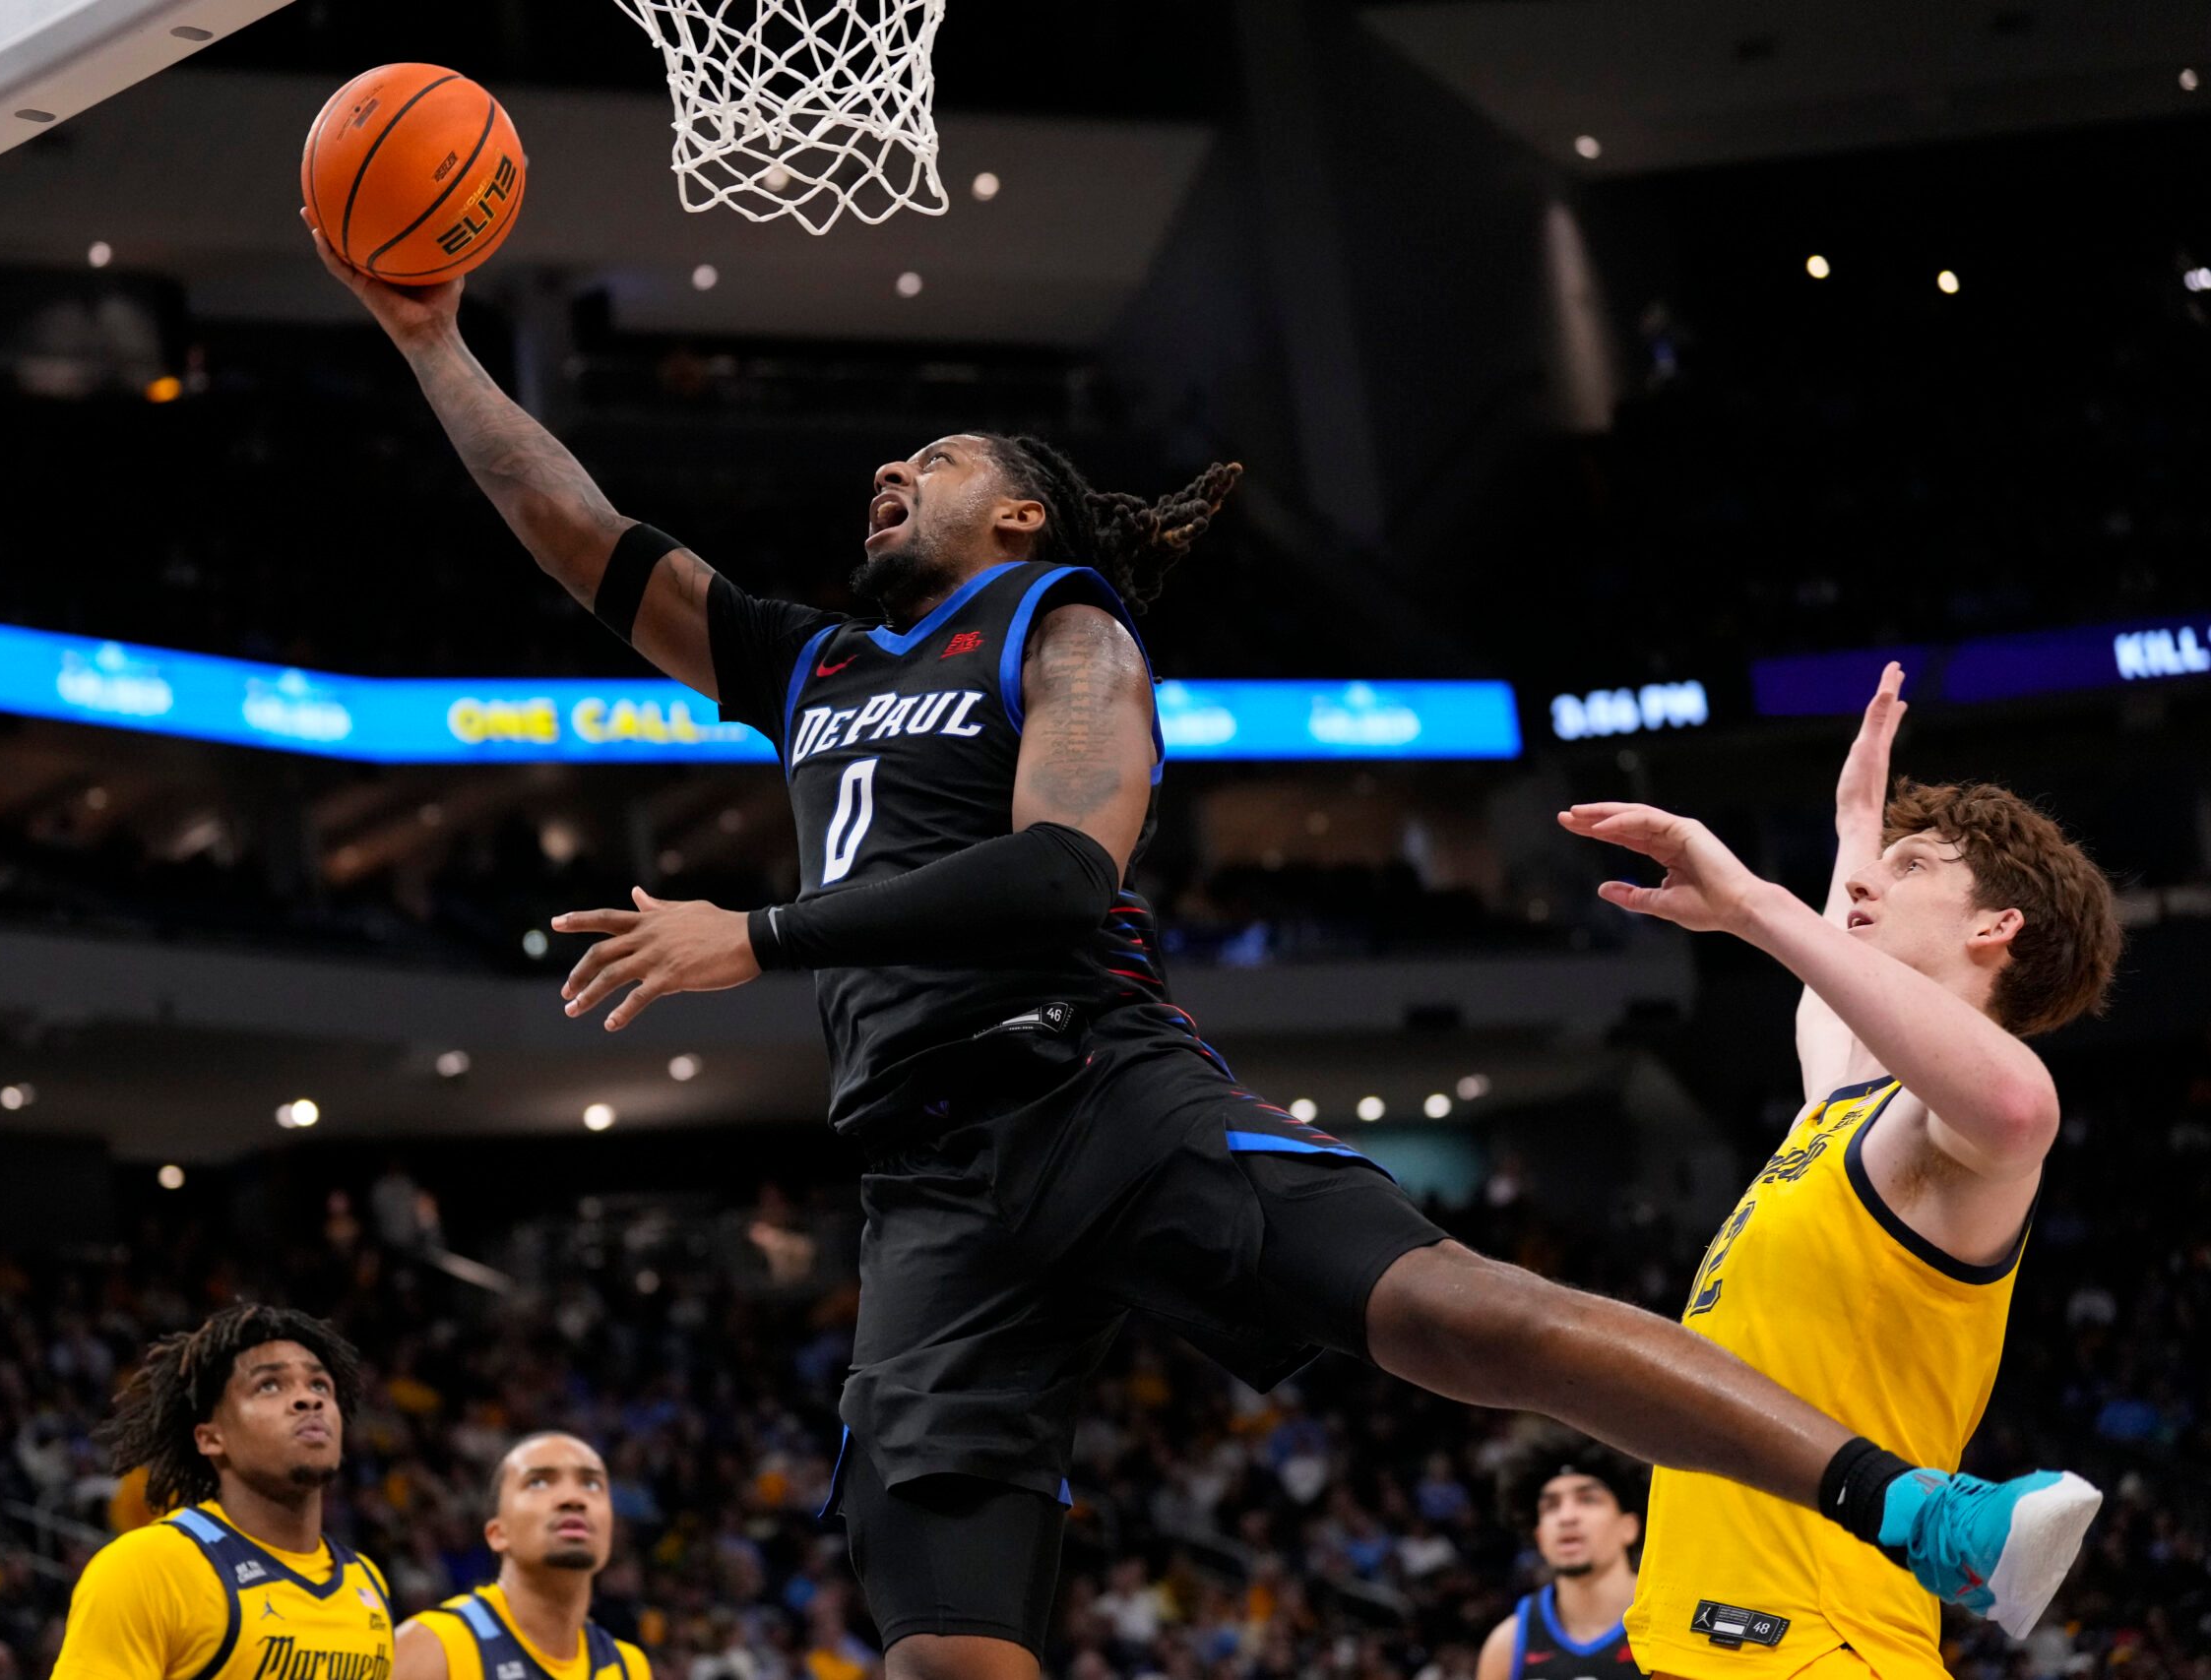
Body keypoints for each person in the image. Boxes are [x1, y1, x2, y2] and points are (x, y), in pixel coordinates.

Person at [312, 230, 2105, 1680]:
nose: (886, 467)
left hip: (1092, 1079)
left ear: (1019, 514)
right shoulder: (813, 668)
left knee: (1449, 1314)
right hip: (926, 1179)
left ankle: (1921, 1513)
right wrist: (432, 340)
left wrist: (755, 933)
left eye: (929, 459)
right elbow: (581, 532)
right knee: (940, 1637)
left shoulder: (1058, 622)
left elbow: (1046, 877)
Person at [1560, 665, 2122, 1679]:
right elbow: (1826, 1005)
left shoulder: (1952, 1143)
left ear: (1994, 928)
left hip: (1823, 1646)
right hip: (1699, 1640)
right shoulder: (1843, 1113)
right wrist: (1855, 827)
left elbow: (2017, 1105)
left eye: (1908, 872)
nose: (1862, 887)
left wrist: (1752, 904)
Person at [48, 1304, 393, 1680]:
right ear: (212, 1438)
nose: (309, 1400)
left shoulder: (367, 1581)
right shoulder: (147, 1569)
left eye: (319, 1385)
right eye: (269, 1385)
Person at [392, 1434, 654, 1680]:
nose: (574, 1498)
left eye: (591, 1484)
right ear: (497, 1534)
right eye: (538, 1482)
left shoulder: (629, 1666)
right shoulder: (432, 1647)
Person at [1477, 1436, 1645, 1680]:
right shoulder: (1508, 1645)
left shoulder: (1672, 1624)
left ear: (1629, 1526)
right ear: (1540, 1536)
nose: (1566, 1517)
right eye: (1551, 1506)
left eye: (1588, 1499)